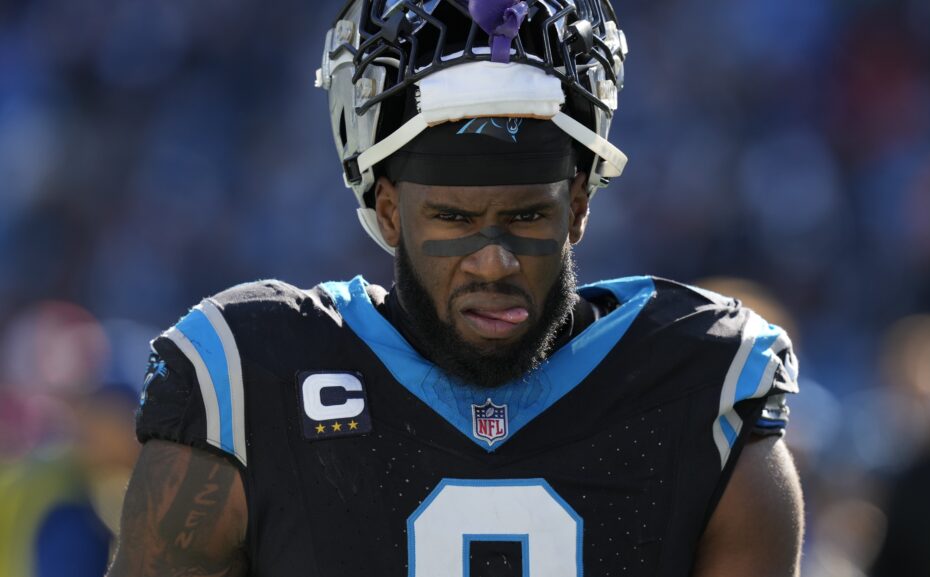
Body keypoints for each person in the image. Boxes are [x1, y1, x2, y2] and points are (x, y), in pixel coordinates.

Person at [106, 1, 804, 575]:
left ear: (580, 208)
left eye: (527, 215)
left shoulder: (697, 384)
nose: (493, 261)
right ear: (387, 211)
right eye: (454, 218)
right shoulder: (250, 377)